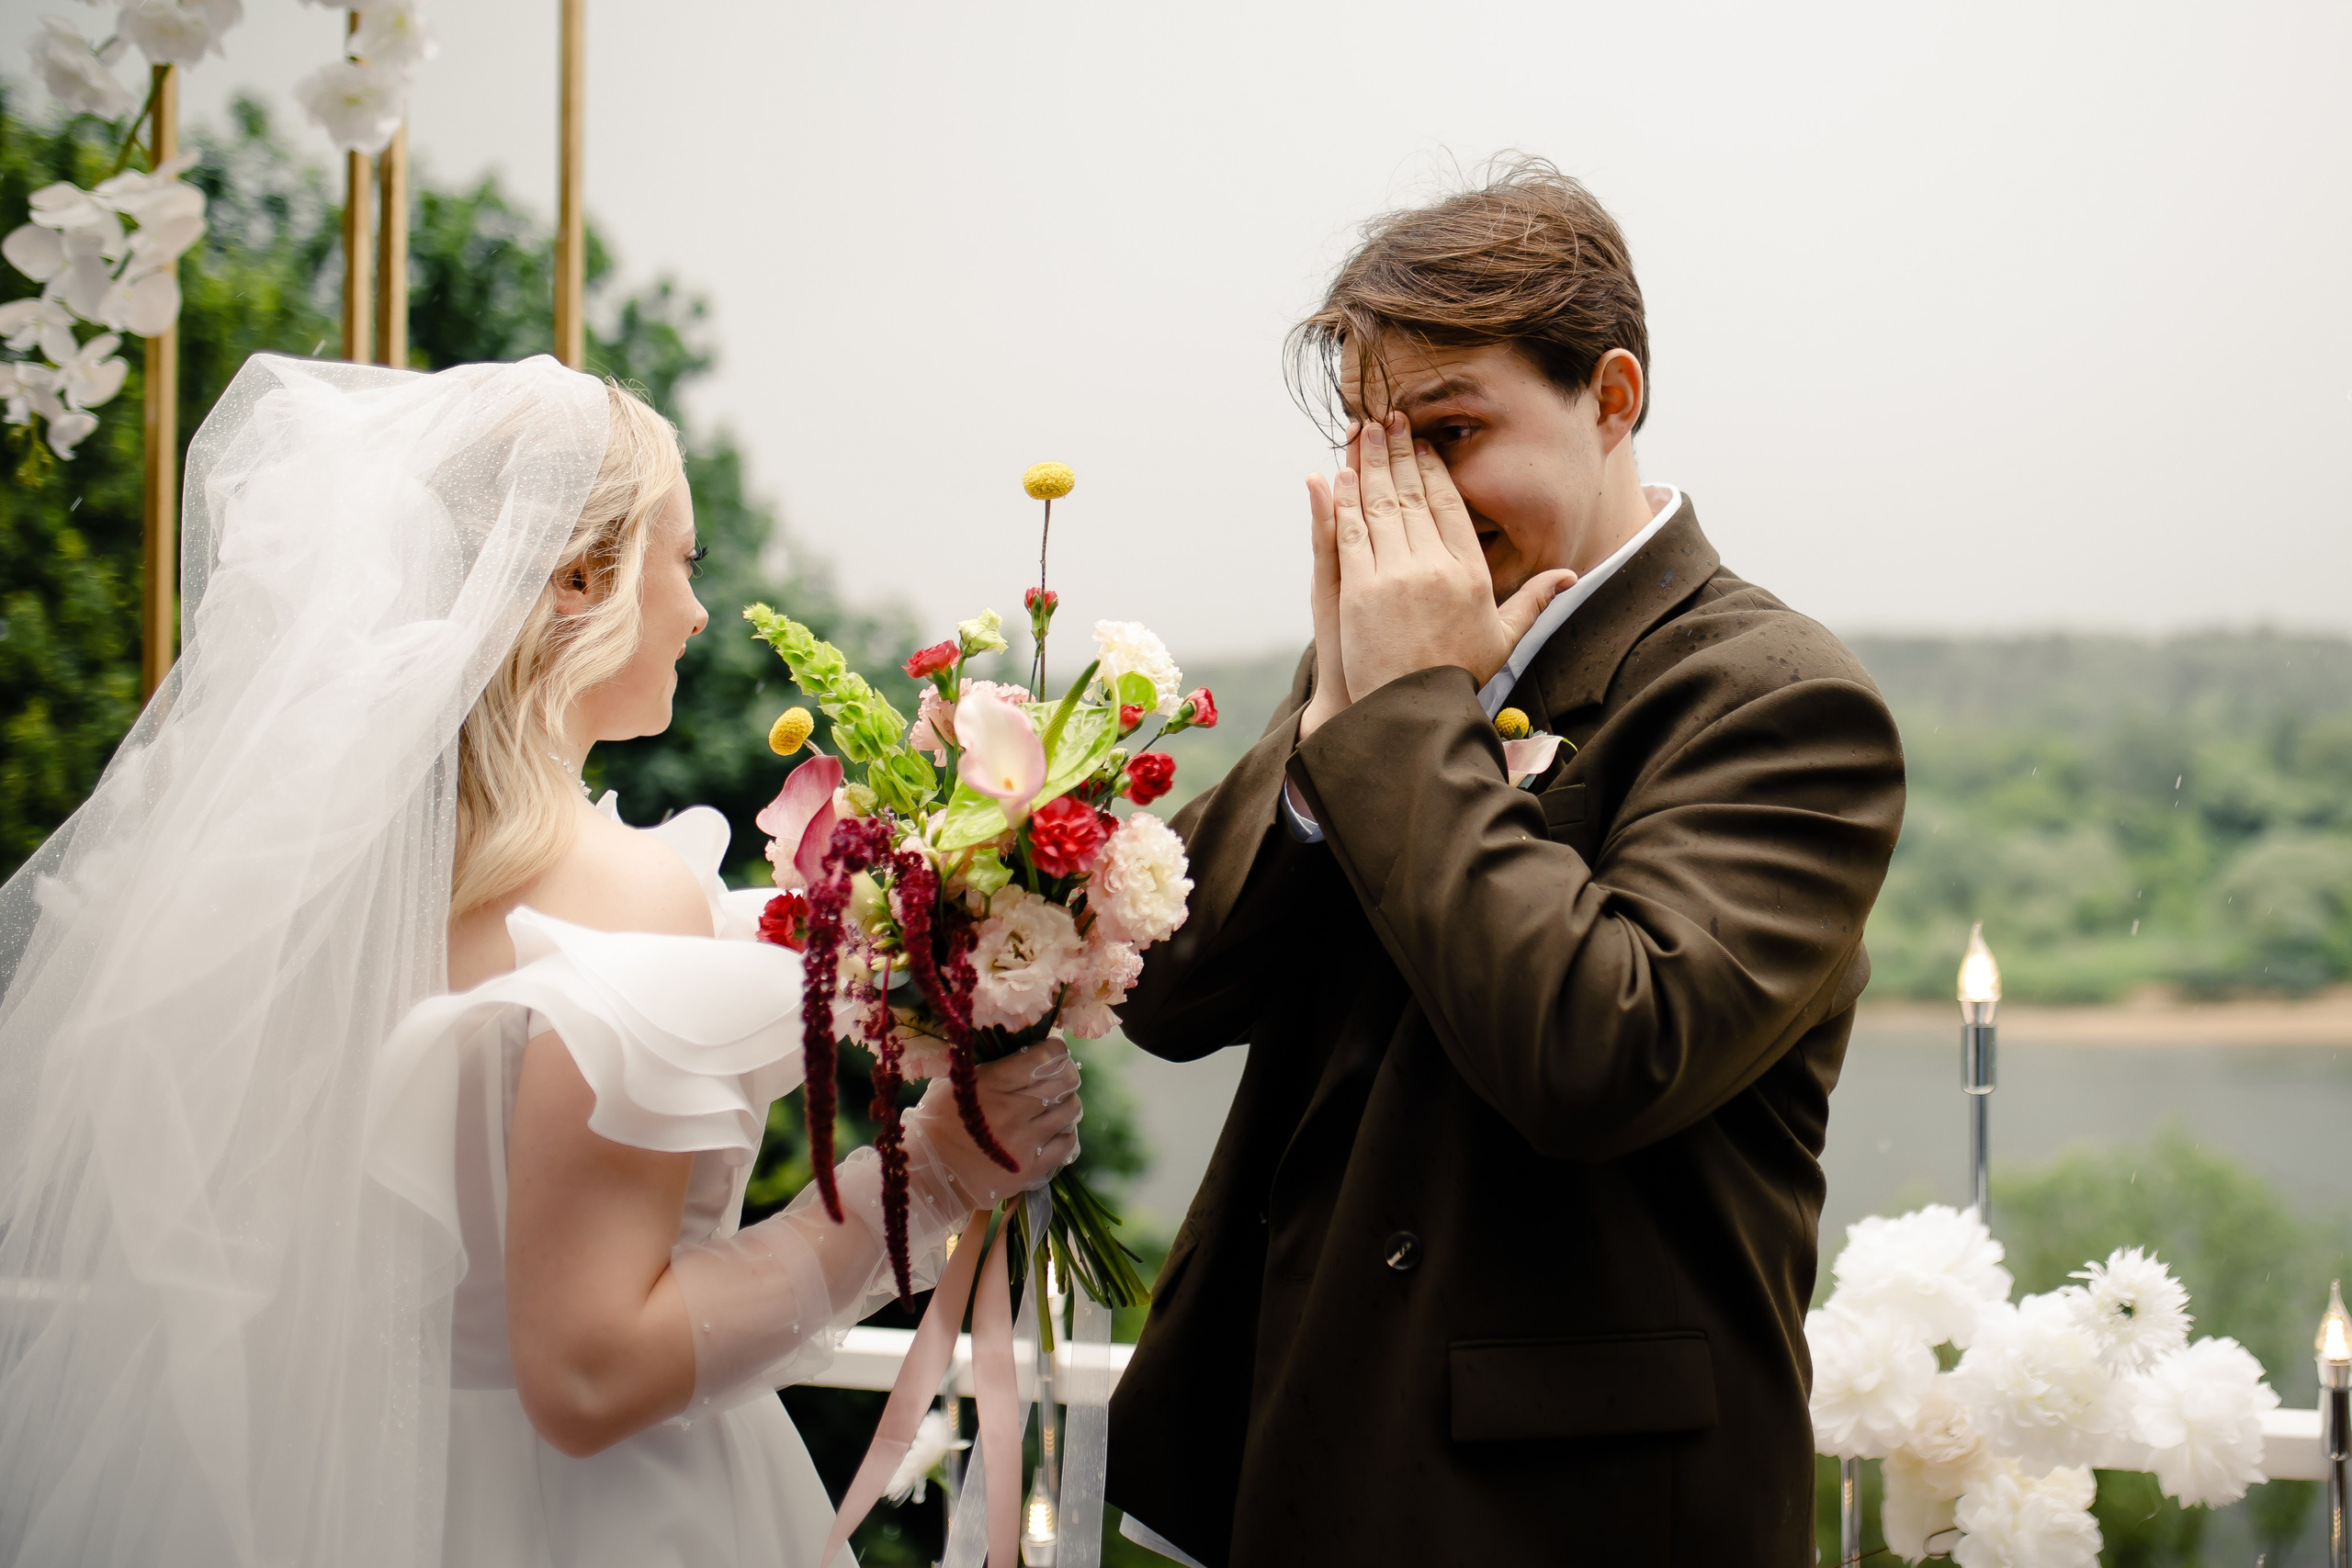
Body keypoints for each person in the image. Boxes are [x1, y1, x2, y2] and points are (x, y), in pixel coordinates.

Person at [0, 355, 1080, 1568]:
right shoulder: (618, 894)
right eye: (686, 560)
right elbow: (588, 1368)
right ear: (580, 582)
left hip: (364, 1492)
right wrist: (930, 1168)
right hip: (595, 1520)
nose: (700, 610)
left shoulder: (322, 896)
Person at [1104, 159, 1906, 1566]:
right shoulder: (1387, 667)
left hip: (1570, 1514)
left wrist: (1407, 719)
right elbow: (1160, 991)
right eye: (1376, 446)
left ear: (1611, 398)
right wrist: (1340, 723)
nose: (1409, 498)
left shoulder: (1777, 698)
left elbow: (1600, 1051)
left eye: (1454, 430)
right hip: (1296, 1464)